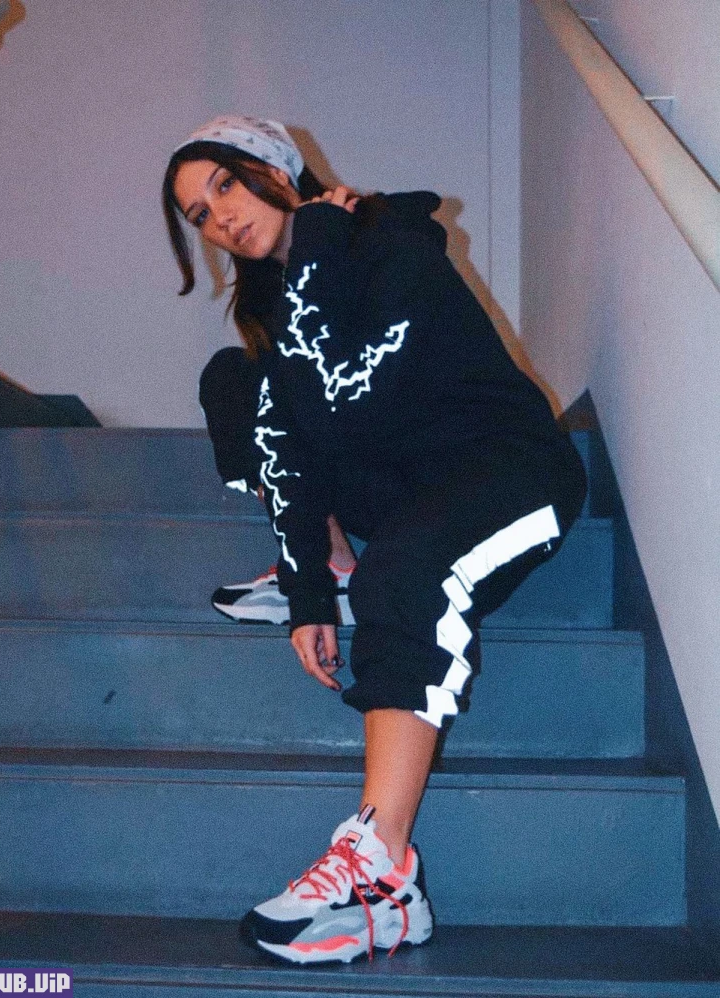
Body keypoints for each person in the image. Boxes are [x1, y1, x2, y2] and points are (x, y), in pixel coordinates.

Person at [162, 115, 587, 965]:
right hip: (407, 488)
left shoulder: (391, 243)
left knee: (405, 571)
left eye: (227, 184)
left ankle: (384, 876)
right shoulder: (277, 301)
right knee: (234, 382)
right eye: (200, 215)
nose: (221, 217)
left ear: (275, 170)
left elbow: (346, 400)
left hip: (508, 468)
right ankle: (336, 563)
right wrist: (308, 589)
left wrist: (319, 241)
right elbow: (293, 442)